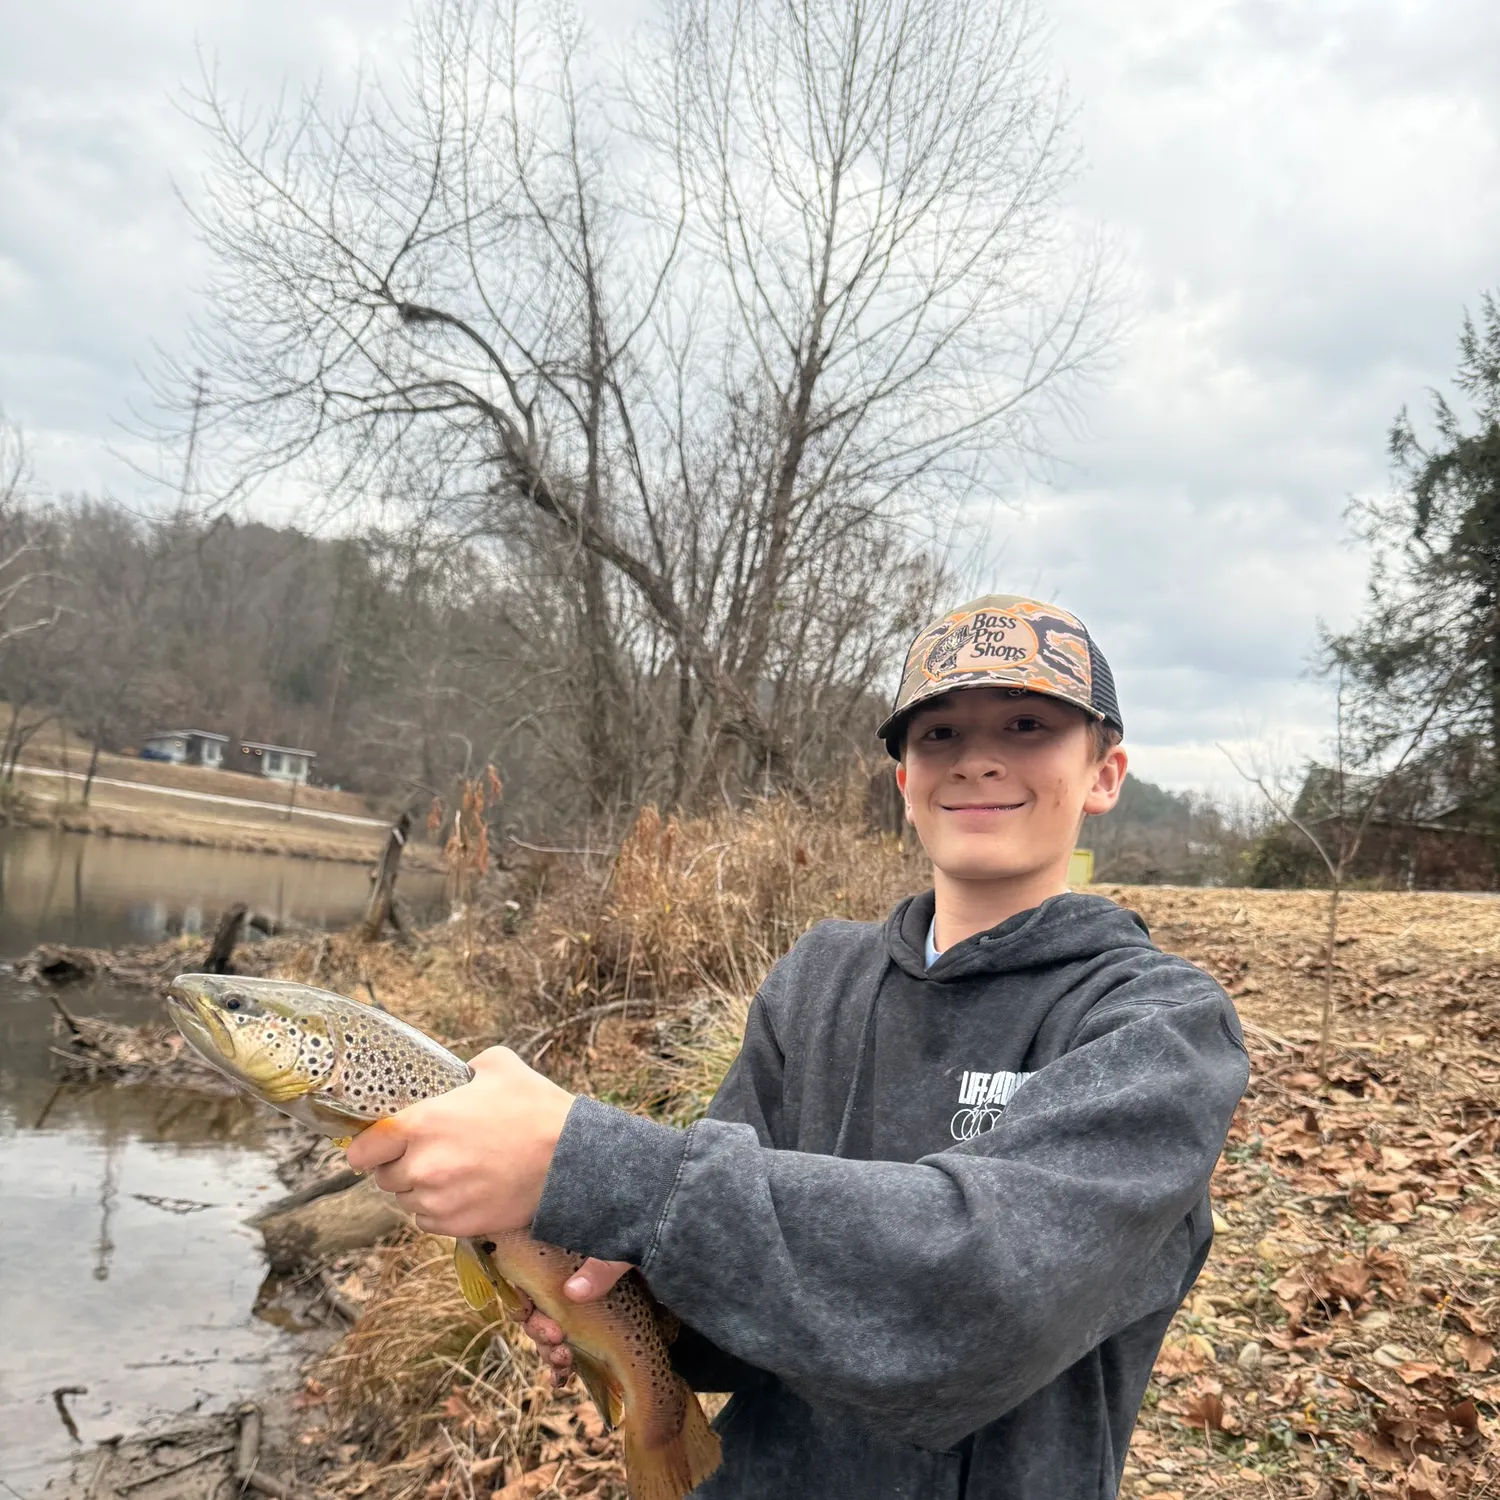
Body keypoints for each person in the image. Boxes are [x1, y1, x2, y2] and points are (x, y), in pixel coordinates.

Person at [348, 593, 1250, 1500]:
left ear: (1104, 773)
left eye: (1026, 725)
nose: (977, 759)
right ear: (903, 780)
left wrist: (597, 1164)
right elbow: (742, 1292)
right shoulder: (818, 979)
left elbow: (979, 1300)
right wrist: (617, 1300)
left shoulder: (1159, 1028)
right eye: (937, 734)